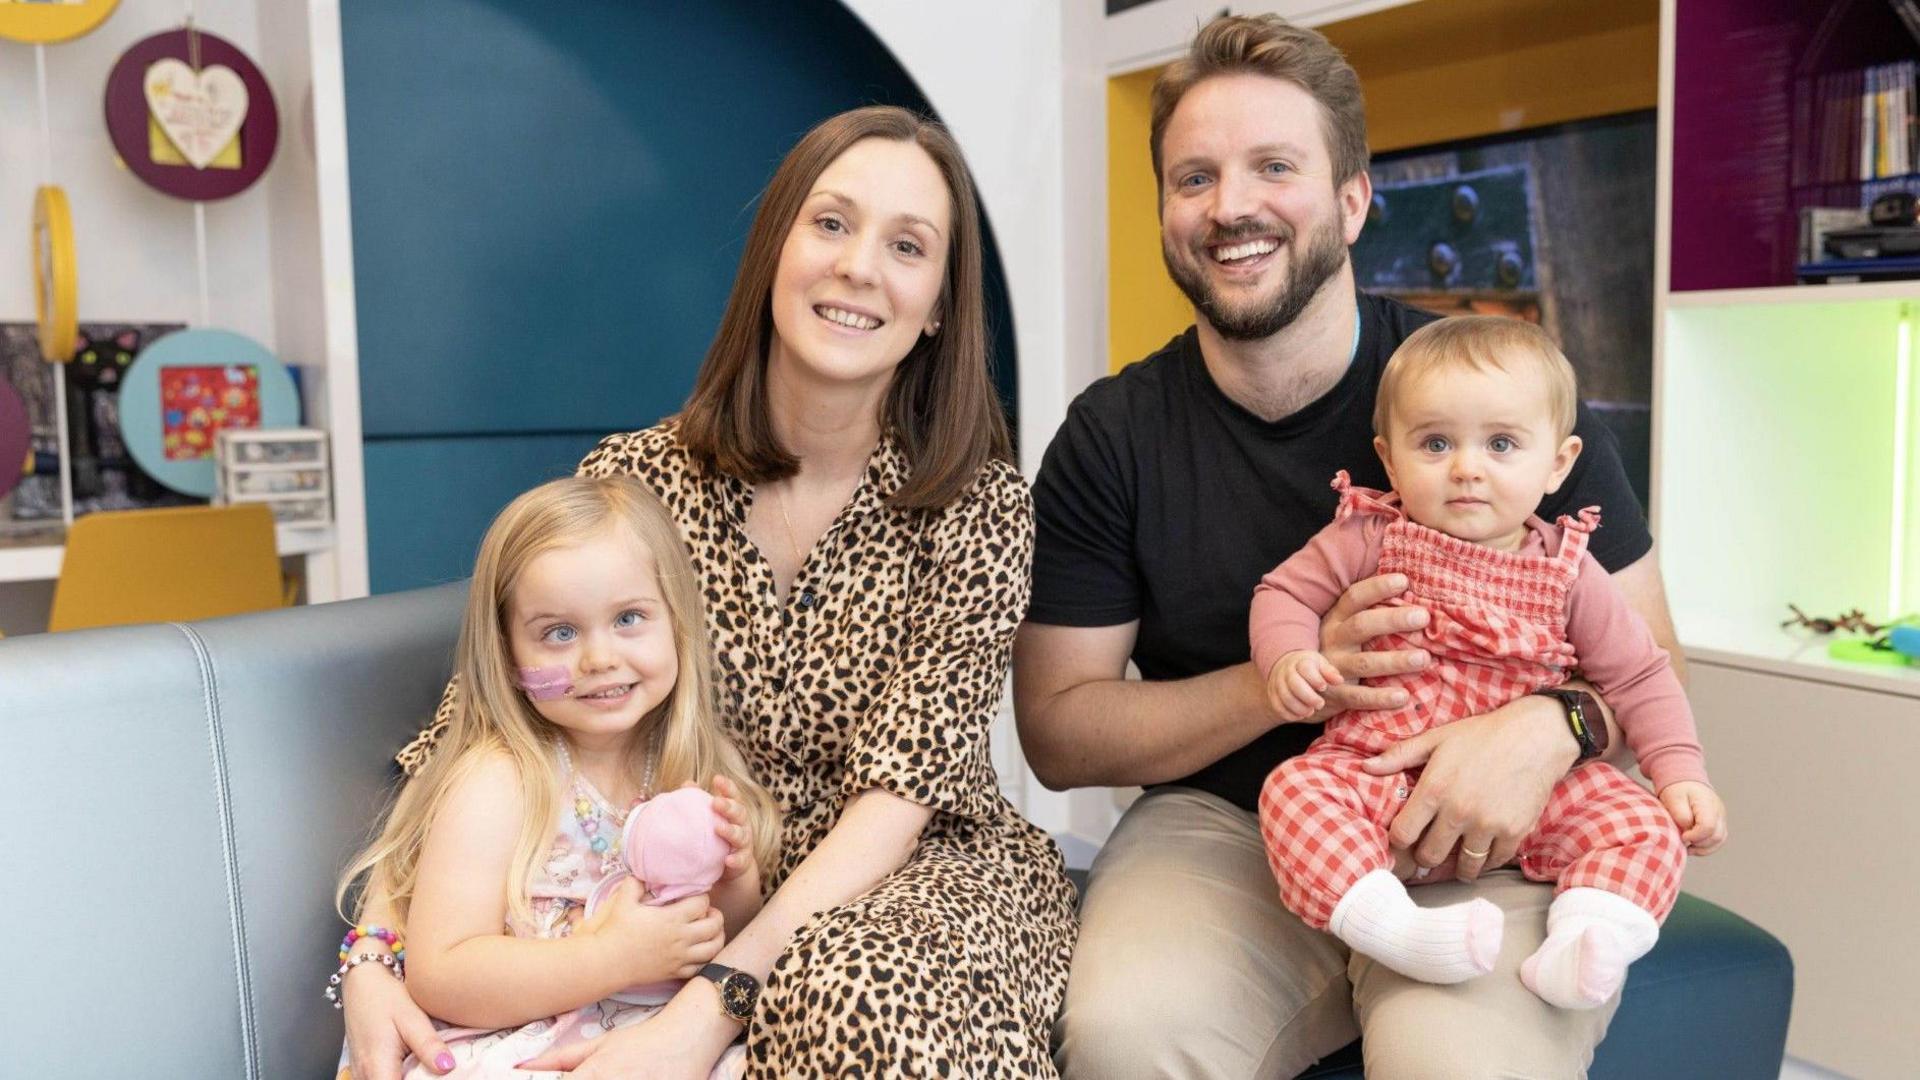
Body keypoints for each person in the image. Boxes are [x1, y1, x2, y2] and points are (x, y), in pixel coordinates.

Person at [340, 105, 1077, 1080]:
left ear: (939, 302)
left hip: (914, 872)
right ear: (775, 249)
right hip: (682, 888)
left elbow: (899, 799)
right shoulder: (637, 477)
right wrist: (374, 959)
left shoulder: (977, 505)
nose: (860, 265)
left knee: (854, 1001)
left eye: (907, 245)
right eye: (831, 223)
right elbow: (482, 730)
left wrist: (706, 1009)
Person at [1016, 14, 1687, 1078]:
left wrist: (1551, 725)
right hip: (1229, 827)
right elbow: (1058, 731)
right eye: (1195, 178)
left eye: (1272, 166)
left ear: (1352, 199)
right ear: (1165, 214)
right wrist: (1292, 679)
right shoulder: (1115, 434)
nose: (1230, 205)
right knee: (1124, 1038)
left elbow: (1650, 657)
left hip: (1488, 834)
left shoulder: (1501, 394)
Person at [1252, 316, 1725, 1010]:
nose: (1467, 468)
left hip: (1532, 796)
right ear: (1390, 457)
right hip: (1382, 776)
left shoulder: (1570, 571)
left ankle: (1587, 940)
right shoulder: (1369, 534)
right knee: (1293, 794)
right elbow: (1284, 592)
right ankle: (1395, 929)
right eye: (1436, 443)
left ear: (1558, 463)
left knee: (1644, 824)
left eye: (1501, 444)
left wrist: (1681, 772)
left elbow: (1639, 674)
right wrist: (1288, 656)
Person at [331, 476, 778, 1079]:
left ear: (677, 622)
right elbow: (443, 975)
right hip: (515, 1046)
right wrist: (607, 957)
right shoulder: (502, 780)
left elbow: (722, 944)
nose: (598, 659)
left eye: (629, 618)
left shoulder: (687, 769)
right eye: (559, 633)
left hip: (653, 1045)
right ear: (509, 656)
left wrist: (736, 878)